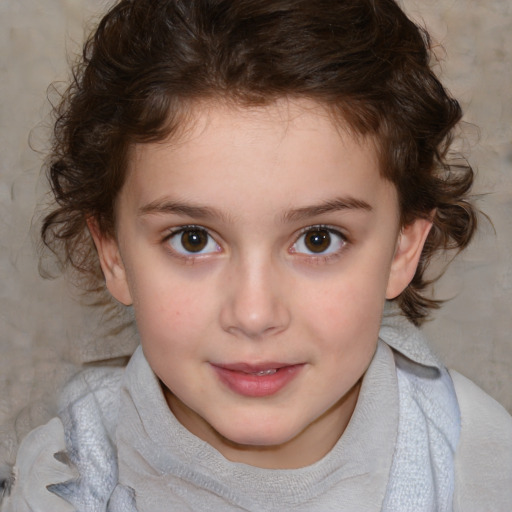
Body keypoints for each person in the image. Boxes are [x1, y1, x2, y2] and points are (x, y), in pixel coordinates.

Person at [1, 0, 511, 510]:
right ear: (112, 253)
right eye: (193, 239)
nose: (254, 314)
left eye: (318, 239)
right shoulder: (61, 479)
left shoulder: (482, 469)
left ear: (403, 248)